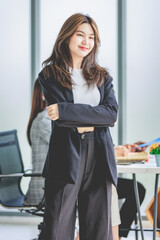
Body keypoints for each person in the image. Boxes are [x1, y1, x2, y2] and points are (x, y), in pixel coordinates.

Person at [38, 13, 118, 240]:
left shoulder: (102, 77)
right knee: (57, 229)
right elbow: (59, 119)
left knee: (98, 229)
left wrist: (66, 110)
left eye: (91, 37)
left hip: (100, 153)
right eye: (80, 35)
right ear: (66, 36)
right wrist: (93, 115)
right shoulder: (50, 74)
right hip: (66, 154)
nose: (86, 42)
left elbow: (111, 115)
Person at [24, 79, 51, 206]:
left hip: (49, 185)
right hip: (43, 190)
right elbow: (67, 146)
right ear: (43, 95)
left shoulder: (46, 118)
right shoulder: (44, 121)